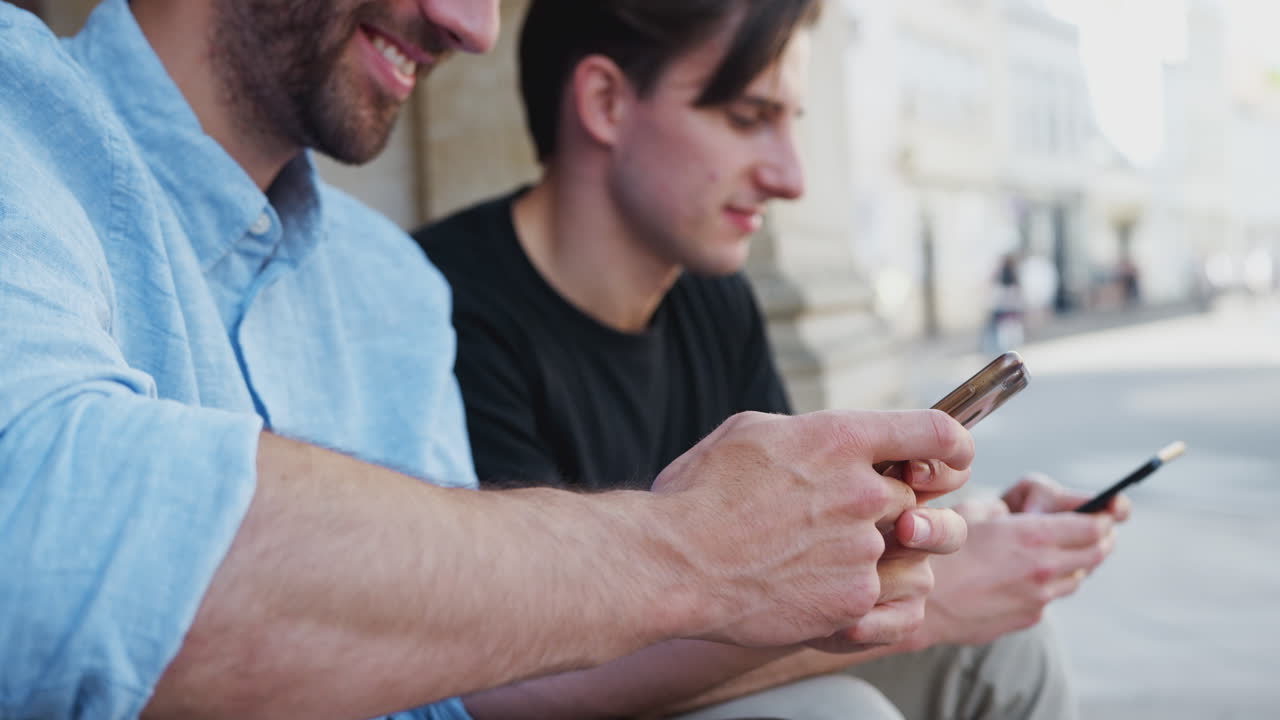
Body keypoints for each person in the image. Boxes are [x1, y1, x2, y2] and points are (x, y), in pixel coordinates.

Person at [0, 1, 976, 718]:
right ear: (602, 104)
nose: (472, 27)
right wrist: (697, 549)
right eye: (743, 115)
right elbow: (55, 541)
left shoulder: (391, 285)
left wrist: (798, 586)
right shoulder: (25, 127)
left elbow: (456, 688)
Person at [416, 1, 1131, 717]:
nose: (792, 178)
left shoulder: (716, 299)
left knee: (1008, 646)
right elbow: (499, 681)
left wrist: (946, 537)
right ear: (606, 101)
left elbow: (792, 557)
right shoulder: (437, 309)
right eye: (747, 117)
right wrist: (930, 609)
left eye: (793, 122)